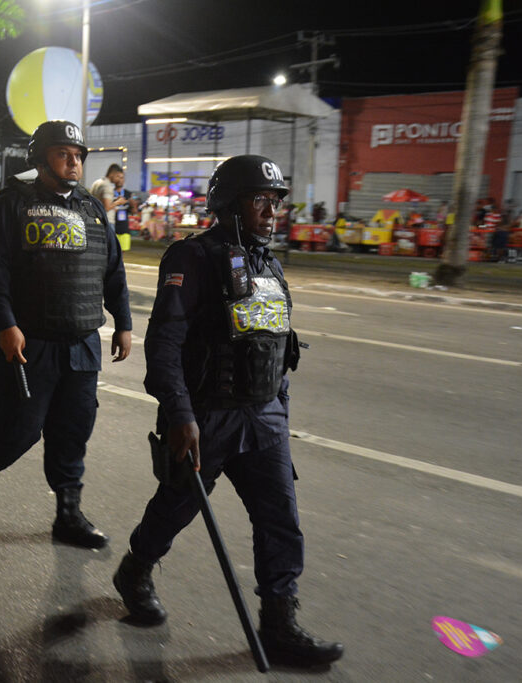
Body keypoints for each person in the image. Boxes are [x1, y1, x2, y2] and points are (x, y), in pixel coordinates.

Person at [111, 154, 343, 667]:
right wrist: (179, 414)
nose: (271, 210)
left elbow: (278, 346)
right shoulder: (191, 258)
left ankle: (279, 623)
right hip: (206, 416)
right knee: (177, 508)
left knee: (280, 519)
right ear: (229, 204)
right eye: (259, 200)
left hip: (263, 418)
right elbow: (165, 345)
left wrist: (280, 410)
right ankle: (136, 569)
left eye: (275, 201)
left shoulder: (269, 263)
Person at [0, 120, 132, 548]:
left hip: (81, 343)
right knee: (21, 427)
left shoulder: (92, 209)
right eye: (64, 154)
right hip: (28, 342)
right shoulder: (12, 205)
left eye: (78, 156)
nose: (74, 162)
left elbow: (112, 269)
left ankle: (68, 514)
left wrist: (124, 322)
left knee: (73, 428)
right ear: (40, 159)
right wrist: (6, 323)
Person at [110, 168, 136, 252]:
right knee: (112, 251)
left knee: (122, 252)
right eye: (118, 177)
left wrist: (133, 205)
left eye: (122, 178)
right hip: (112, 226)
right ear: (113, 179)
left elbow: (133, 212)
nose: (120, 180)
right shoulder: (110, 193)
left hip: (124, 227)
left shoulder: (128, 194)